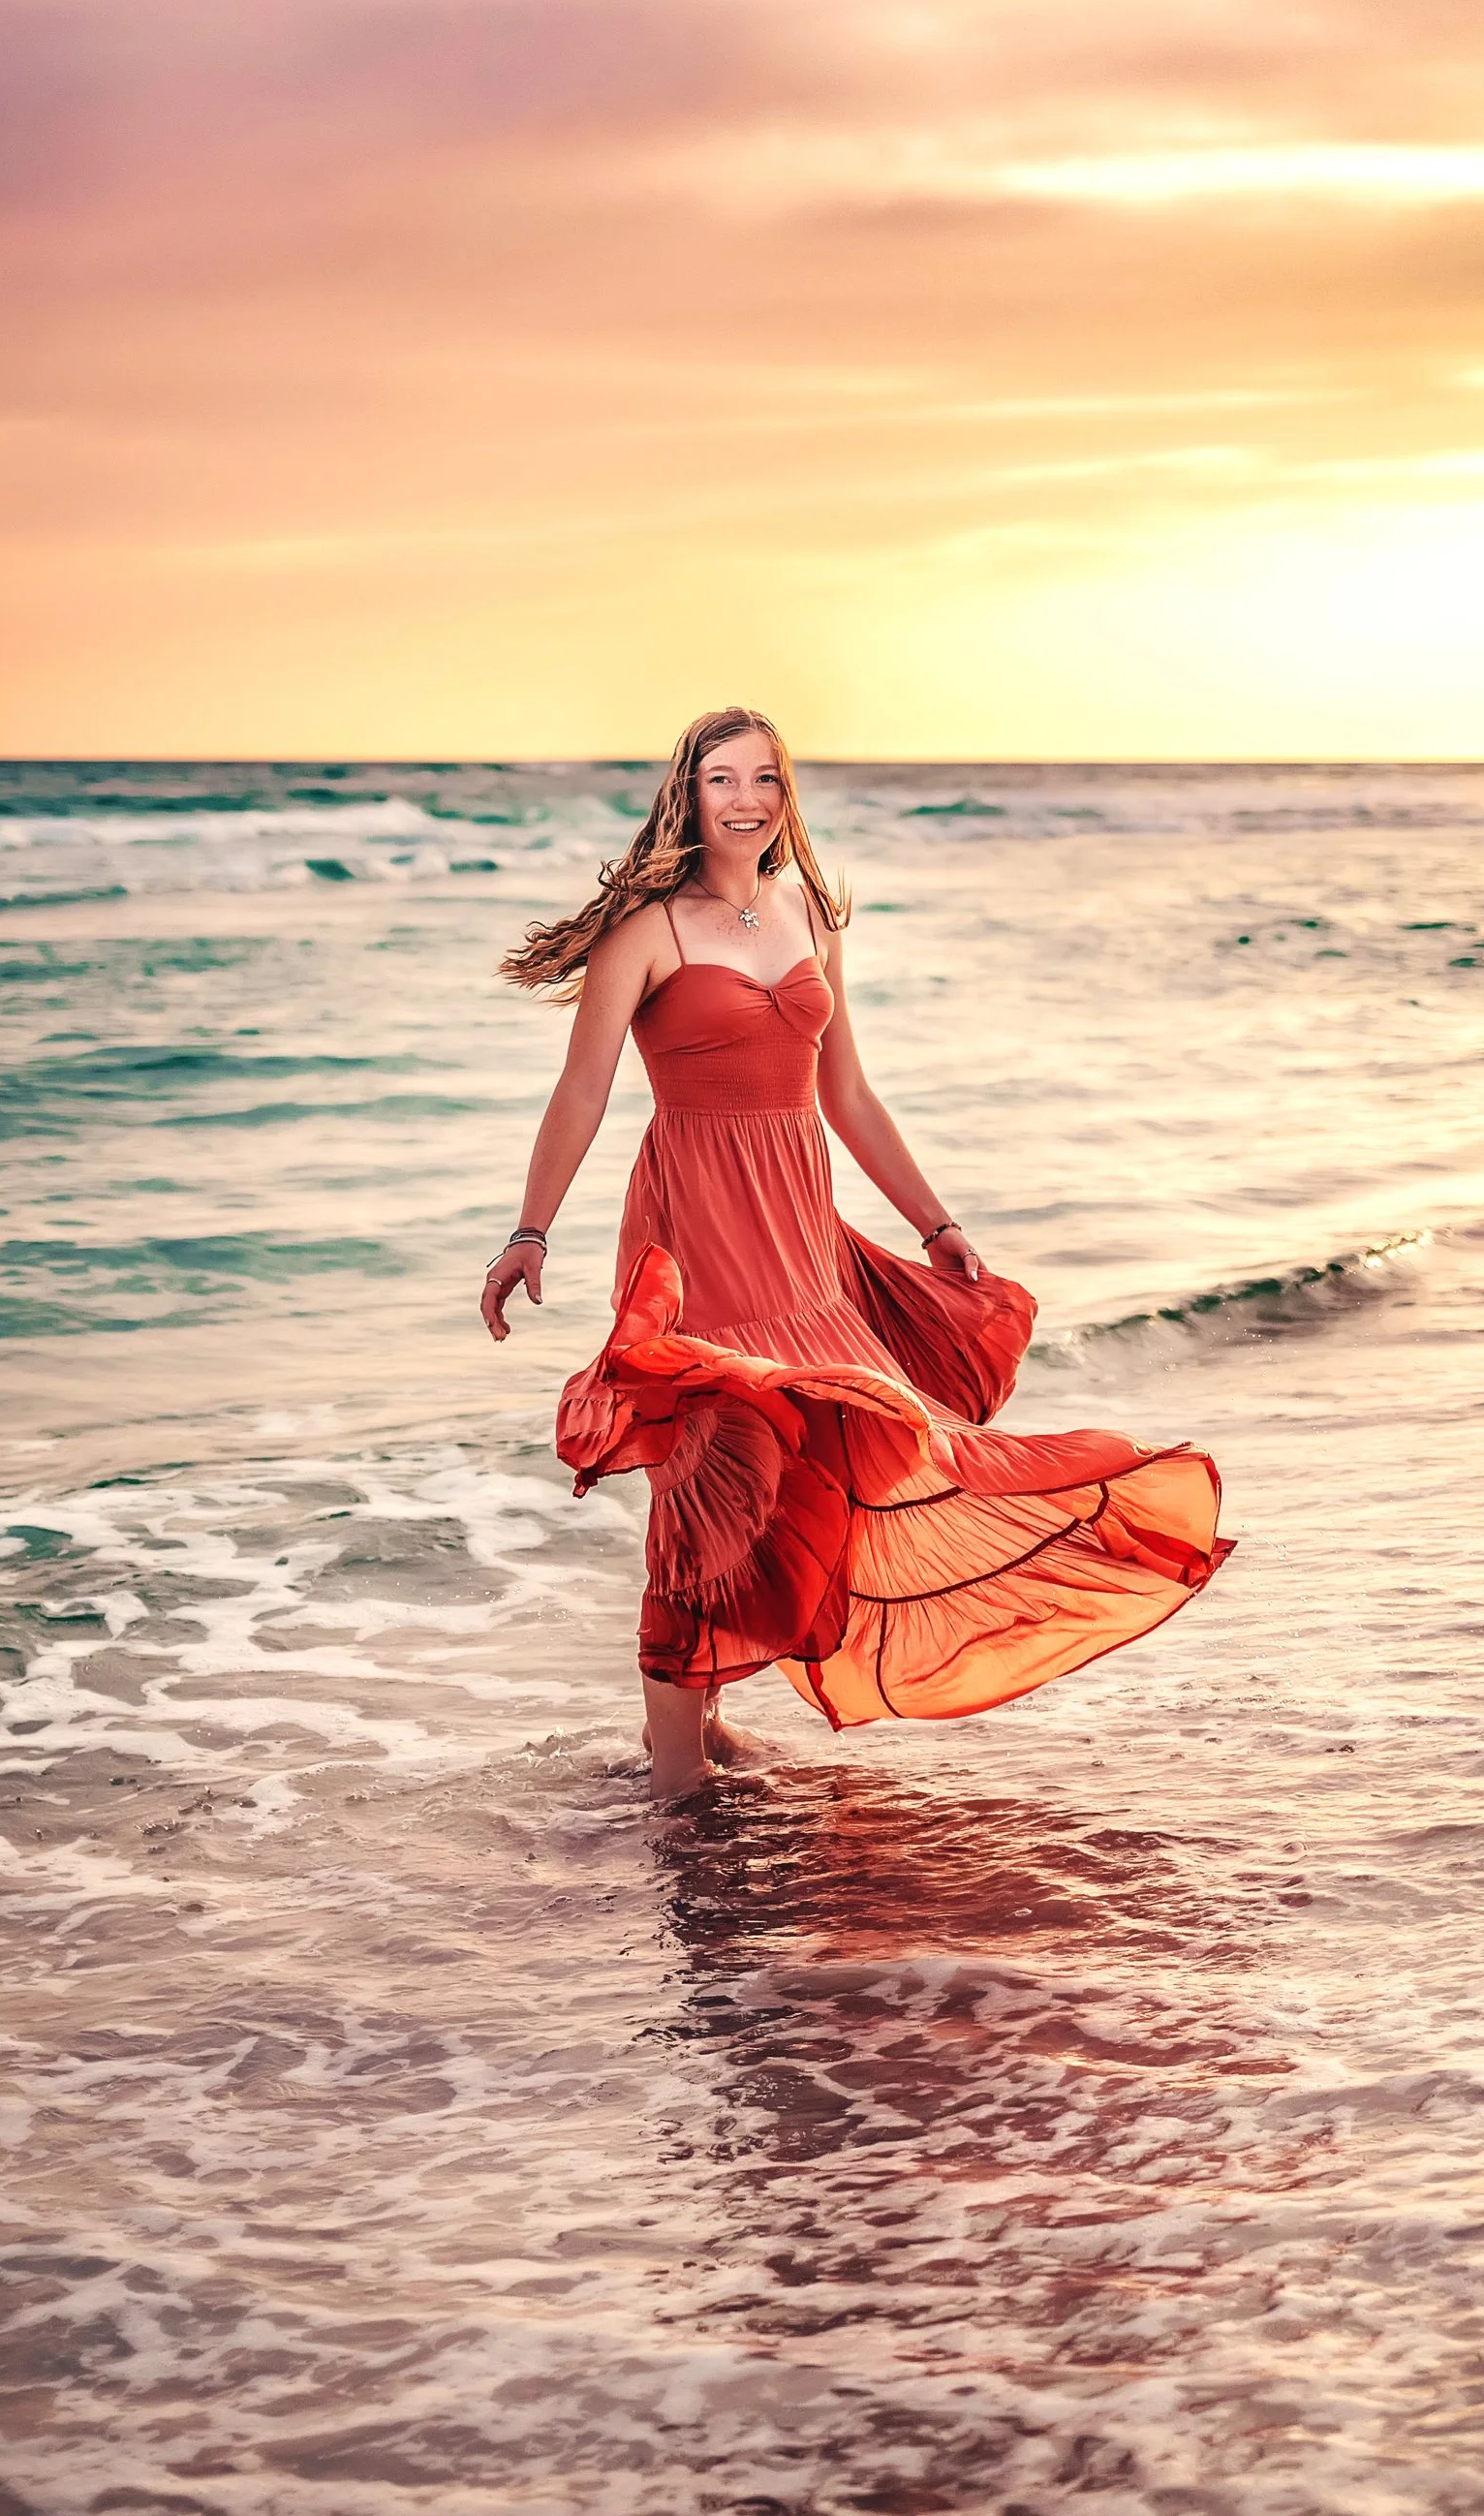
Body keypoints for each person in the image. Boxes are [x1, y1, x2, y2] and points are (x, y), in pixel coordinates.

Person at [480, 708, 1231, 1798]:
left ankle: (708, 1721)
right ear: (685, 794)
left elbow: (847, 1095)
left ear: (788, 796)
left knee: (807, 1458)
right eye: (721, 779)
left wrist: (936, 1224)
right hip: (697, 1221)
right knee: (708, 1472)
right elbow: (583, 1089)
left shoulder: (808, 913)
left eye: (766, 781)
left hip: (799, 1229)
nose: (745, 800)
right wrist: (529, 1230)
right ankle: (675, 1761)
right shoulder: (648, 926)